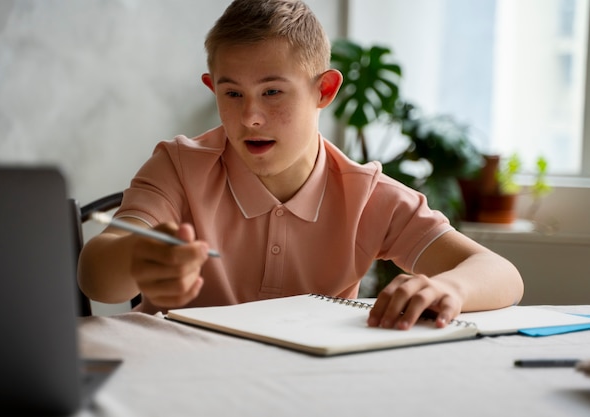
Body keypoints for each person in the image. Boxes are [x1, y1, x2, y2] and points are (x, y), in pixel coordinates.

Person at [78, 0, 523, 330]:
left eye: (272, 92)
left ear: (324, 91)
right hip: (174, 383)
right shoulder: (177, 166)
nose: (250, 116)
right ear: (212, 88)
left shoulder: (365, 194)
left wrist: (452, 288)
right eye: (232, 94)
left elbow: (503, 275)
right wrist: (137, 257)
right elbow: (96, 277)